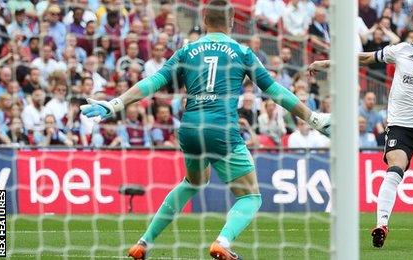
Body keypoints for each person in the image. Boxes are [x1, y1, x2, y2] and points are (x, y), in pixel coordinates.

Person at [81, 1, 330, 259]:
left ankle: (143, 242)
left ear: (204, 18)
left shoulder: (187, 49)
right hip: (221, 128)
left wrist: (114, 103)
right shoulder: (242, 52)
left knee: (194, 181)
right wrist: (313, 118)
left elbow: (153, 81)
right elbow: (276, 92)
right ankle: (222, 242)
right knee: (251, 196)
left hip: (189, 128)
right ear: (232, 20)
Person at [309, 12, 413, 248]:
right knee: (395, 168)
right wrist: (327, 63)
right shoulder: (401, 51)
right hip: (400, 127)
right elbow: (366, 58)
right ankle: (381, 224)